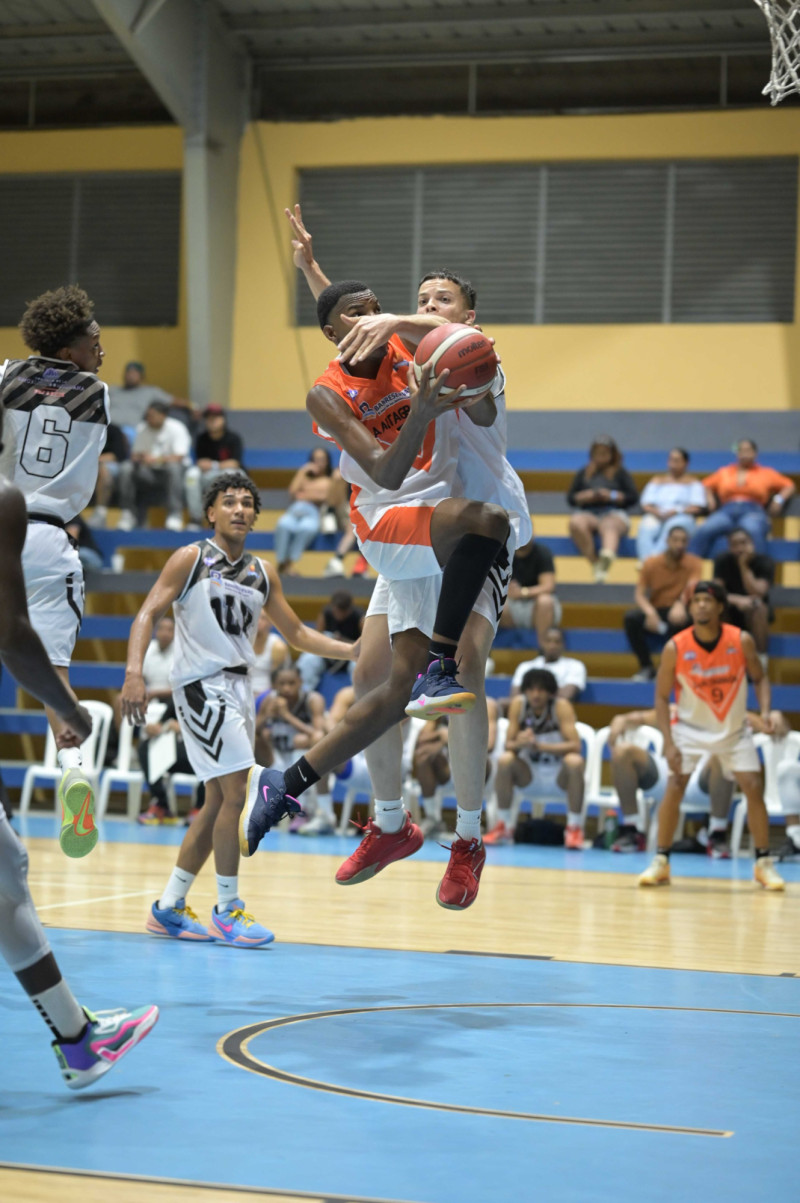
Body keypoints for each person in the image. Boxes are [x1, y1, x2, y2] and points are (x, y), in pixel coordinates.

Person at [239, 276, 513, 913]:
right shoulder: (353, 374)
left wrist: (418, 342)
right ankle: (388, 822)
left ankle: (467, 838)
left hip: (468, 519)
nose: (425, 312)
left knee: (458, 674)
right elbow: (347, 317)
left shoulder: (452, 351)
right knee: (374, 676)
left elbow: (368, 315)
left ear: (468, 316)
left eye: (440, 303)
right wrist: (316, 275)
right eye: (420, 302)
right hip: (401, 517)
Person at [119, 471, 359, 946]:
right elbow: (147, 612)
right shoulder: (192, 558)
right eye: (229, 502)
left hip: (241, 690)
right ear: (211, 512)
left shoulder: (263, 572)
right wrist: (133, 673)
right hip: (200, 686)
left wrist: (352, 651)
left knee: (217, 805)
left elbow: (298, 635)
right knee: (238, 794)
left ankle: (169, 906)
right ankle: (227, 909)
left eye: (247, 503)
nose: (239, 509)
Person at [0, 433, 157, 1088]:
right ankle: (76, 1037)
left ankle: (76, 1036)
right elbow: (9, 631)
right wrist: (67, 707)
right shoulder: (8, 499)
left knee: (6, 871)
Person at [1, 285, 109, 857]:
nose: (100, 350)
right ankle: (73, 766)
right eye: (93, 340)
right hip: (48, 538)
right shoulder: (98, 393)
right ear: (71, 353)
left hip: (1, 523)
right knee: (54, 674)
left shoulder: (6, 376)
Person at [638, 580, 784, 890]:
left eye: (707, 600)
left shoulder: (740, 640)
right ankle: (661, 861)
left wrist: (767, 710)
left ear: (720, 607)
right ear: (690, 608)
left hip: (732, 730)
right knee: (675, 786)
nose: (701, 605)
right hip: (689, 730)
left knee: (753, 787)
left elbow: (760, 678)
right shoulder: (675, 647)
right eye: (696, 601)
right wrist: (668, 740)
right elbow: (662, 698)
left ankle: (763, 863)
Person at [609, 706, 790, 855]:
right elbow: (640, 717)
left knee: (723, 756)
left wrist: (774, 716)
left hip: (703, 780)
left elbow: (769, 726)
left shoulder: (728, 714)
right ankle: (631, 830)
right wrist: (621, 719)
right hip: (670, 776)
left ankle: (717, 834)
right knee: (622, 751)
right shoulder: (675, 711)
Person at [488, 669, 585, 848]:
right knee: (505, 760)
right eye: (531, 689)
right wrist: (521, 742)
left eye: (541, 690)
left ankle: (574, 828)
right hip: (530, 774)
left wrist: (538, 746)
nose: (535, 694)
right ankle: (503, 825)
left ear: (550, 692)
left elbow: (575, 746)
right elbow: (509, 745)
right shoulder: (519, 705)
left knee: (575, 761)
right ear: (525, 691)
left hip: (558, 776)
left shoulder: (560, 707)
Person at [690, 438, 796, 560]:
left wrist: (779, 499)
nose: (744, 454)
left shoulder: (766, 473)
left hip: (752, 511)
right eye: (741, 451)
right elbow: (705, 485)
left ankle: (759, 573)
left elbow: (789, 486)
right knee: (705, 529)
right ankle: (687, 568)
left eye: (748, 450)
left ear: (755, 454)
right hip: (726, 512)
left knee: (753, 530)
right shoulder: (725, 471)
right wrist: (710, 499)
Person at [623, 526, 702, 681]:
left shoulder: (694, 562)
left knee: (688, 619)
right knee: (631, 618)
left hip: (680, 609)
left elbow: (691, 588)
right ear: (667, 541)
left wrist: (680, 605)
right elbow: (639, 594)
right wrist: (650, 613)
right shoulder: (652, 563)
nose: (680, 544)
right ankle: (646, 667)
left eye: (684, 541)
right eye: (676, 540)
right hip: (657, 609)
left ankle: (674, 669)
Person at [567, 435, 639, 583]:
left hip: (613, 512)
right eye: (598, 453)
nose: (601, 457)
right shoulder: (584, 472)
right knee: (576, 522)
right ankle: (595, 562)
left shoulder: (620, 472)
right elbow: (571, 498)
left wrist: (611, 495)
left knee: (609, 525)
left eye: (605, 453)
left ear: (612, 455)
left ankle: (607, 554)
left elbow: (632, 497)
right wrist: (586, 496)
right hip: (589, 512)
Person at [116, 400, 191, 532]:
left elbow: (179, 457)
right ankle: (128, 513)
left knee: (174, 468)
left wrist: (157, 459)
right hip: (149, 472)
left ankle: (175, 514)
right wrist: (143, 458)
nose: (148, 418)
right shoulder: (142, 428)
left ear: (163, 415)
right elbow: (135, 455)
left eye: (152, 415)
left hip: (172, 472)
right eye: (148, 415)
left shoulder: (177, 428)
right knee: (126, 468)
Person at [274, 446, 339, 574]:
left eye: (322, 460)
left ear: (327, 461)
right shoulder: (304, 476)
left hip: (312, 513)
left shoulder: (330, 479)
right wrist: (303, 470)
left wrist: (303, 494)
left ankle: (289, 563)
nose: (319, 463)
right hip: (294, 511)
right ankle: (281, 562)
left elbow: (325, 497)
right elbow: (293, 492)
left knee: (306, 528)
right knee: (283, 525)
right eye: (315, 460)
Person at [636, 448, 706, 562]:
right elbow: (645, 504)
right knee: (646, 525)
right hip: (657, 515)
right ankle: (646, 563)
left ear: (686, 463)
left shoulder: (694, 483)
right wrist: (657, 512)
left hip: (681, 516)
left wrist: (677, 511)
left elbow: (697, 507)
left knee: (672, 527)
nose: (673, 464)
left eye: (677, 460)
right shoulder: (656, 480)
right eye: (671, 460)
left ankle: (654, 562)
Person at [713, 528, 774, 657]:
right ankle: (725, 657)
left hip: (755, 610)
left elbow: (758, 592)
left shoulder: (765, 561)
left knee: (759, 608)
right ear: (729, 547)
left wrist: (743, 566)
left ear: (752, 543)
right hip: (731, 607)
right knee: (716, 607)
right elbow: (717, 592)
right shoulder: (722, 560)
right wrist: (738, 600)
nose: (740, 548)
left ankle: (761, 660)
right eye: (735, 544)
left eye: (743, 543)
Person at [185, 404, 244, 529]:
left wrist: (213, 464)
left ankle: (230, 518)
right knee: (191, 475)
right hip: (208, 476)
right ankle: (196, 518)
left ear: (223, 419)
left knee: (233, 474)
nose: (213, 421)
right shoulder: (202, 438)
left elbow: (234, 463)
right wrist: (211, 465)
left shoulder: (233, 438)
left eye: (216, 417)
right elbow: (200, 462)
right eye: (209, 418)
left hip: (227, 474)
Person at [498, 528, 559, 643]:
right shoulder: (505, 553)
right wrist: (507, 590)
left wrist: (523, 592)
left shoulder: (542, 552)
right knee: (491, 602)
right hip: (512, 607)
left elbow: (548, 586)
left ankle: (543, 651)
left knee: (545, 601)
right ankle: (488, 654)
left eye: (527, 531)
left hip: (538, 608)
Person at [296, 589, 364, 691]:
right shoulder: (325, 613)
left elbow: (367, 644)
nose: (339, 615)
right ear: (333, 607)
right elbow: (316, 637)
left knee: (359, 666)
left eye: (343, 612)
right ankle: (305, 694)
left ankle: (358, 695)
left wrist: (344, 642)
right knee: (308, 660)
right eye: (337, 611)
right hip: (328, 653)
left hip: (352, 656)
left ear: (349, 609)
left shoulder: (360, 617)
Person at [107, 360, 191, 437]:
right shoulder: (113, 390)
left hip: (131, 430)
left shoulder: (150, 392)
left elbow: (173, 401)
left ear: (141, 376)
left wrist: (192, 407)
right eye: (128, 373)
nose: (131, 376)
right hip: (108, 427)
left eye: (134, 373)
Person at [509, 627, 587, 703]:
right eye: (548, 641)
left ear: (563, 644)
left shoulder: (575, 666)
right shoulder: (525, 666)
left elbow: (566, 695)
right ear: (542, 643)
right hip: (525, 711)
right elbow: (515, 696)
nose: (552, 646)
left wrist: (532, 693)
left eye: (557, 642)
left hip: (557, 711)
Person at [88, 421, 130, 529]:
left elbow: (118, 455)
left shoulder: (113, 430)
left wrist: (96, 460)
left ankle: (100, 511)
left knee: (103, 469)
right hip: (90, 465)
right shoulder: (89, 429)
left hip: (113, 466)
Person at [250, 609, 291, 698]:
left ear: (271, 622)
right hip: (243, 689)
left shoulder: (278, 647)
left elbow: (278, 680)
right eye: (256, 618)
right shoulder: (242, 642)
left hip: (267, 694)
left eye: (263, 618)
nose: (259, 621)